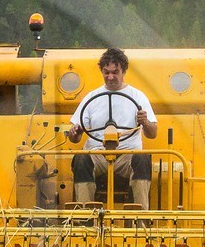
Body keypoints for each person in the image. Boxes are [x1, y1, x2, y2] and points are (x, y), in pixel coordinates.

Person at [66, 47, 159, 208]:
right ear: (101, 71)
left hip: (127, 155)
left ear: (124, 72)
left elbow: (152, 133)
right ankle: (85, 217)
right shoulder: (91, 97)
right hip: (98, 154)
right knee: (81, 159)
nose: (110, 77)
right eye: (106, 72)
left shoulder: (138, 97)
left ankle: (140, 218)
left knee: (143, 159)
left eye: (115, 72)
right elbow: (74, 139)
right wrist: (75, 132)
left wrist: (145, 122)